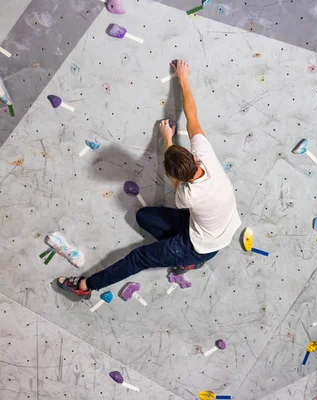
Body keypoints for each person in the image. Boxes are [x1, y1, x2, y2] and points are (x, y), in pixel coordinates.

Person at [57, 60, 241, 299]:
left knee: (139, 257)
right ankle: (183, 258)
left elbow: (178, 184)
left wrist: (167, 139)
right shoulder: (206, 156)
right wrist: (183, 78)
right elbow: (192, 116)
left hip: (200, 246)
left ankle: (85, 286)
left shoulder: (187, 195)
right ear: (194, 158)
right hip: (218, 227)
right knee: (144, 217)